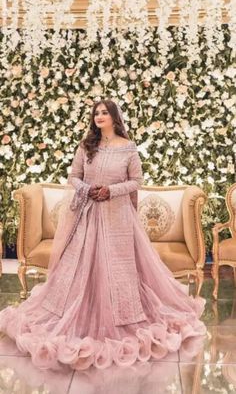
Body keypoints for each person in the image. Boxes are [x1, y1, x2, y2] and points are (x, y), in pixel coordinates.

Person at [0, 99, 206, 371]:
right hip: (88, 215)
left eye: (104, 112)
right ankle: (80, 318)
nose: (99, 116)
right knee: (82, 268)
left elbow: (136, 181)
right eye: (96, 112)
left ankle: (125, 317)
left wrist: (112, 191)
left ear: (114, 117)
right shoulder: (86, 146)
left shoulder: (128, 148)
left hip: (118, 218)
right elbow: (73, 176)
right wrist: (86, 188)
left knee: (118, 268)